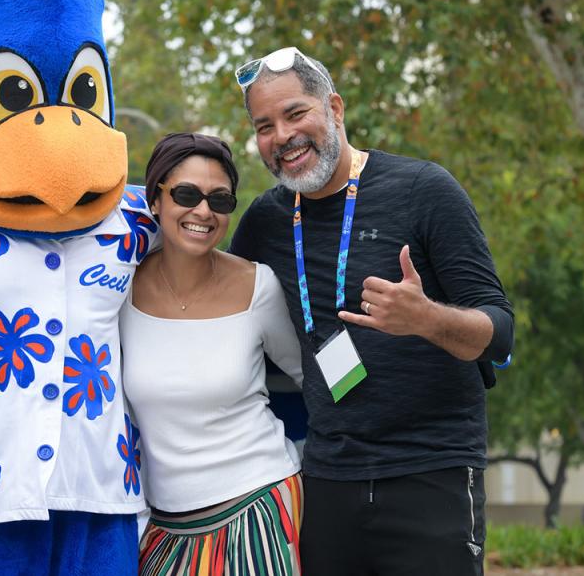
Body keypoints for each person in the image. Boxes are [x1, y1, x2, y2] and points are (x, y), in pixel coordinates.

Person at [228, 47, 515, 575]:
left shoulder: (424, 190)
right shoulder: (266, 222)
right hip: (326, 476)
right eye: (263, 125)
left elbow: (499, 335)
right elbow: (212, 309)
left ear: (334, 109)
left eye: (295, 114)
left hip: (433, 471)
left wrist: (426, 317)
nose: (282, 137)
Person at [121, 133, 305, 575]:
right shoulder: (118, 288)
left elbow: (311, 373)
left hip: (260, 505)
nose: (203, 211)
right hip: (163, 530)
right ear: (156, 200)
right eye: (186, 194)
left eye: (220, 200)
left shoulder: (258, 285)